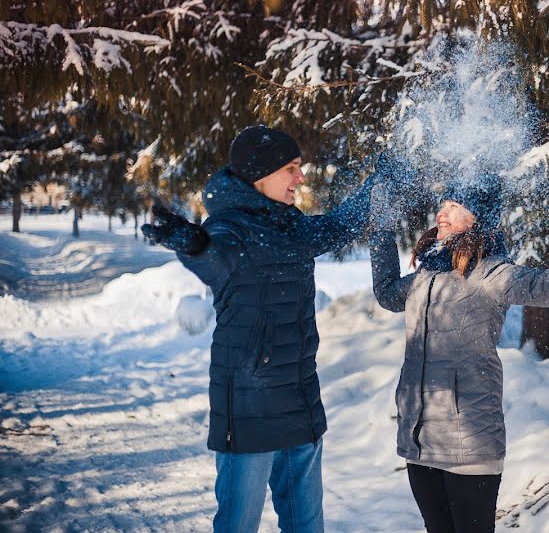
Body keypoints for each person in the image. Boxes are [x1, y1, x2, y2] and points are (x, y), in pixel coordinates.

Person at [368, 173, 549, 533]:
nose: (442, 213)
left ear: (476, 220)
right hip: (420, 441)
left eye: (454, 206)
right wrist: (380, 228)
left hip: (469, 446)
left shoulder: (491, 273)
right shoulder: (425, 276)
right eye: (443, 205)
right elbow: (388, 293)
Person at [142, 125, 382, 533]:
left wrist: (385, 180)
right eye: (292, 168)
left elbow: (343, 223)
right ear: (260, 174)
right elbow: (213, 259)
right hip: (250, 413)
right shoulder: (228, 230)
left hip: (301, 405)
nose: (300, 178)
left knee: (307, 526)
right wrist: (192, 244)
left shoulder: (293, 227)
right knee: (238, 525)